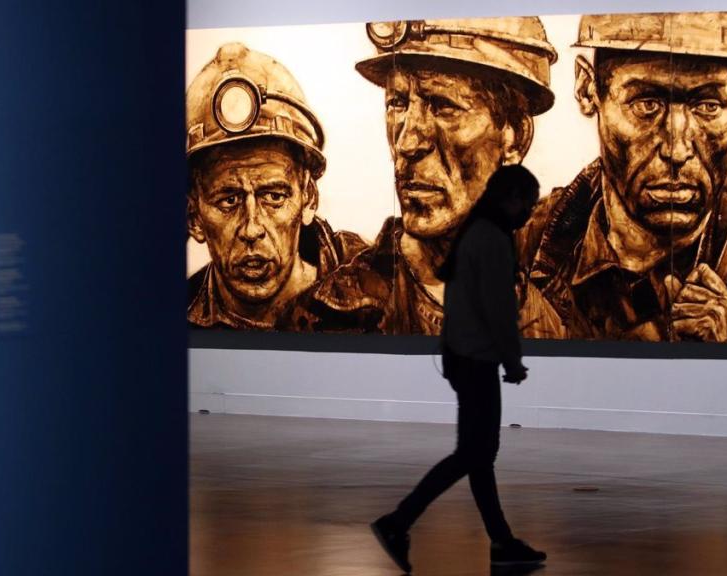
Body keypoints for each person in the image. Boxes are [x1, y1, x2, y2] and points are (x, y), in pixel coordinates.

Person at [284, 18, 564, 339]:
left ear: (515, 138)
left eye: (444, 106)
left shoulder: (552, 322)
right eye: (398, 103)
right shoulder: (325, 319)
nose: (407, 142)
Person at [520, 11, 727, 343]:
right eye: (647, 104)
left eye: (708, 106)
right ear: (587, 90)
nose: (677, 150)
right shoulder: (524, 244)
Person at [371, 165, 546, 573]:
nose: (528, 213)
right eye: (527, 203)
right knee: (473, 454)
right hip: (477, 359)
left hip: (462, 356)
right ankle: (398, 522)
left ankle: (501, 541)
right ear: (512, 198)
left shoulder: (476, 232)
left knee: (479, 456)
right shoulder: (492, 239)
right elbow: (498, 309)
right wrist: (512, 360)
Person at [186, 43, 366, 330]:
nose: (251, 230)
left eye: (273, 196)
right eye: (228, 201)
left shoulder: (377, 291)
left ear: (308, 198)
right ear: (194, 217)